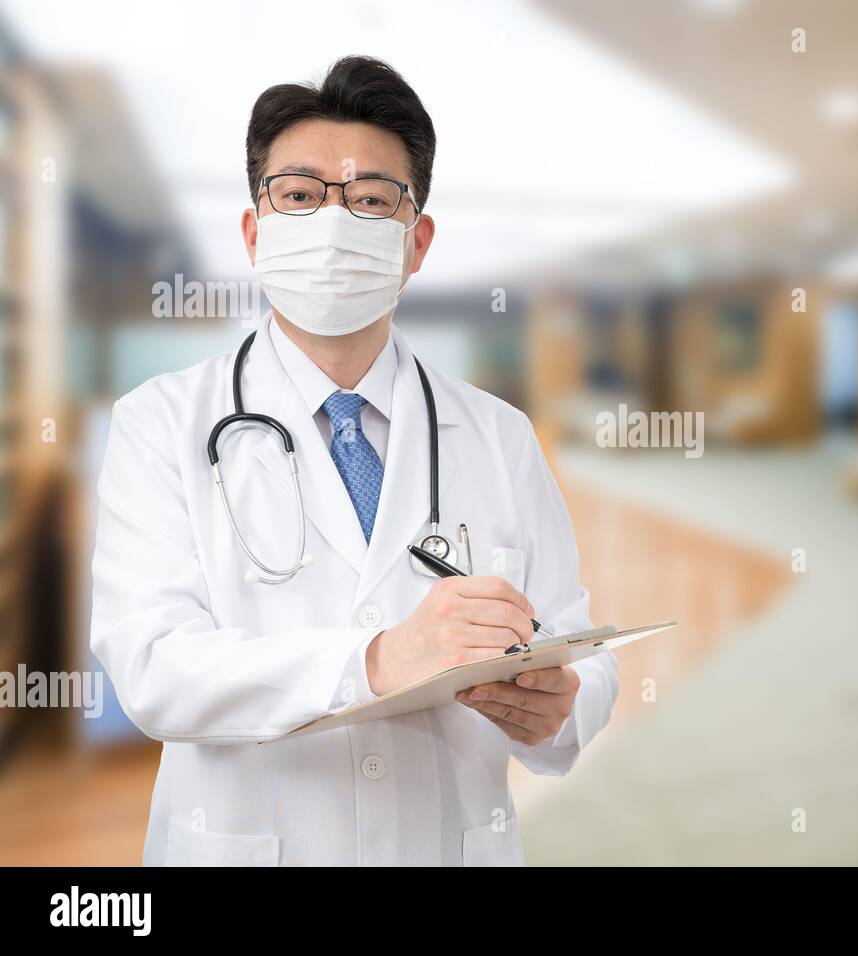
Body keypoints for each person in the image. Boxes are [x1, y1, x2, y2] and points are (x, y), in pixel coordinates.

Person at [89, 56, 617, 866]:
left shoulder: (500, 435)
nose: (333, 222)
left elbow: (575, 640)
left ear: (416, 243)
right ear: (254, 231)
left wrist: (563, 706)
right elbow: (154, 666)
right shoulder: (161, 423)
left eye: (371, 200)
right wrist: (372, 662)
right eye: (299, 195)